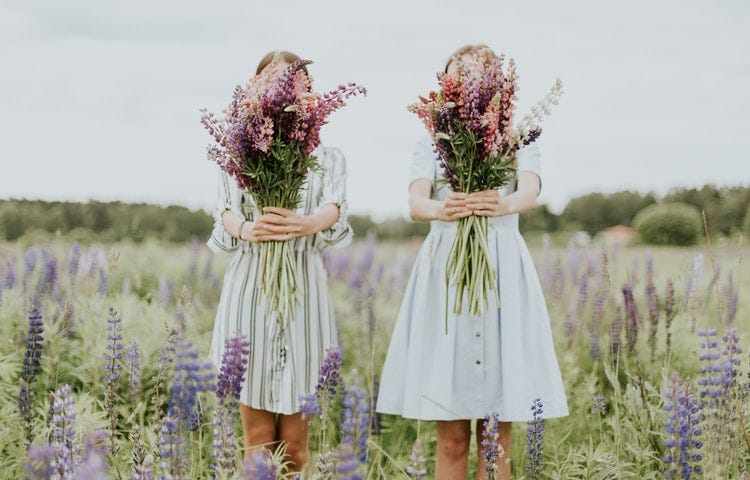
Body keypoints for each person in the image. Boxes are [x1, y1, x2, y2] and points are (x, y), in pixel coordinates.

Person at [376, 45, 569, 480]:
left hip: (502, 268)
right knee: (452, 435)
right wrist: (446, 209)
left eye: (476, 73)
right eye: (457, 74)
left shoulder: (520, 133)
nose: (465, 81)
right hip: (447, 271)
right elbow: (415, 203)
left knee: (497, 434)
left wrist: (497, 204)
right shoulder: (431, 137)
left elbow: (529, 192)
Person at [206, 50, 353, 474]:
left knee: (296, 445)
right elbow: (224, 211)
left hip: (304, 291)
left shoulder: (329, 157)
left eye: (295, 83)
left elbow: (335, 209)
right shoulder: (237, 153)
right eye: (272, 82)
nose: (285, 90)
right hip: (250, 289)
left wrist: (306, 223)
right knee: (257, 444)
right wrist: (246, 230)